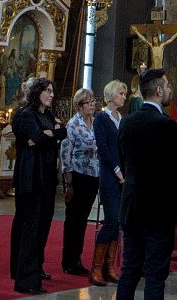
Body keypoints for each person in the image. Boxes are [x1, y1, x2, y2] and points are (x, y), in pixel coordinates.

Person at [119, 69, 177, 300]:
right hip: (158, 211)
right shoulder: (166, 126)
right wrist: (176, 205)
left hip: (132, 206)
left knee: (129, 270)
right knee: (156, 275)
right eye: (166, 86)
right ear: (159, 90)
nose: (168, 90)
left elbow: (123, 161)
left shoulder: (126, 122)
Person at [12, 77, 62, 293]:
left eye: (52, 91)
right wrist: (49, 135)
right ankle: (26, 279)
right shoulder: (26, 115)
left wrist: (51, 135)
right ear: (37, 93)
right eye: (48, 91)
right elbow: (38, 138)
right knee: (31, 227)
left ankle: (35, 269)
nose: (51, 94)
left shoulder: (47, 114)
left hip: (48, 176)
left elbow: (62, 133)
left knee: (43, 224)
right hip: (32, 176)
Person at [64, 87, 105, 276]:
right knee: (74, 219)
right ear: (79, 105)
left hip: (93, 176)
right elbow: (66, 153)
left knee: (82, 219)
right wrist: (68, 181)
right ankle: (69, 259)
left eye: (93, 101)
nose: (93, 104)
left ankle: (77, 257)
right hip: (78, 176)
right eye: (89, 102)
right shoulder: (73, 124)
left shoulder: (96, 123)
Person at [95, 79, 131, 284]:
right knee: (110, 220)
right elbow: (103, 148)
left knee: (118, 221)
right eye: (121, 94)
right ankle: (97, 267)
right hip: (109, 176)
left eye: (124, 94)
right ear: (111, 95)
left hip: (123, 177)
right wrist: (117, 171)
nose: (124, 97)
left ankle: (109, 266)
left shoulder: (122, 119)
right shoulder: (102, 118)